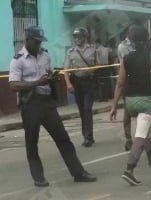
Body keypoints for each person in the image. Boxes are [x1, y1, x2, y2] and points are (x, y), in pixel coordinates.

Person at [9, 25, 97, 187]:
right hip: (30, 103)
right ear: (27, 40)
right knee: (32, 141)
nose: (38, 45)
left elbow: (47, 73)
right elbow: (13, 85)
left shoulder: (45, 56)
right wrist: (36, 82)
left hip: (46, 101)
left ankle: (78, 172)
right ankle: (38, 177)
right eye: (36, 42)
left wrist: (51, 78)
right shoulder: (18, 60)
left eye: (40, 42)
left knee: (63, 138)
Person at [109, 25, 151, 185]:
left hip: (130, 102)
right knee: (142, 135)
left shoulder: (126, 58)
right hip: (147, 101)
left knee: (148, 134)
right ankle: (129, 169)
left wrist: (114, 105)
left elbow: (120, 83)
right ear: (147, 38)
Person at [63, 27, 104, 146]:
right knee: (82, 111)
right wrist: (68, 84)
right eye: (75, 37)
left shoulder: (93, 50)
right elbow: (66, 70)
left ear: (85, 37)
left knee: (87, 109)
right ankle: (85, 135)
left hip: (89, 82)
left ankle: (88, 137)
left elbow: (99, 65)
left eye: (79, 37)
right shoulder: (70, 52)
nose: (77, 39)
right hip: (77, 82)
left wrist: (89, 70)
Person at [116, 25, 136, 151]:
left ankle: (142, 138)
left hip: (142, 79)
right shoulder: (123, 46)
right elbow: (128, 63)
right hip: (129, 79)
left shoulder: (141, 42)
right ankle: (128, 139)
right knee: (127, 112)